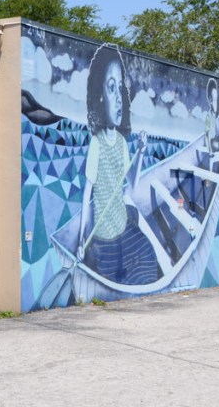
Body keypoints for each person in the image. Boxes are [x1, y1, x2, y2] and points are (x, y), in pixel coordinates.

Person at [77, 45, 147, 276]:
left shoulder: (122, 142)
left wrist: (141, 152)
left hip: (122, 227)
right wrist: (81, 240)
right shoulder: (96, 143)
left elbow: (133, 184)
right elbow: (88, 192)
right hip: (103, 235)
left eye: (120, 89)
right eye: (110, 89)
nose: (118, 98)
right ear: (99, 96)